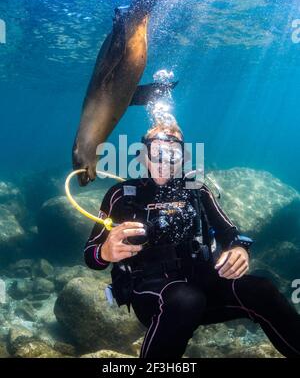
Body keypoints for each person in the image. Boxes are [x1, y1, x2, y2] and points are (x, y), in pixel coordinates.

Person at [84, 123, 300, 358]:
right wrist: (105, 252)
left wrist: (239, 250)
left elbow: (232, 235)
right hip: (152, 295)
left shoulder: (197, 190)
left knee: (262, 289)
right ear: (142, 156)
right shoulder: (121, 195)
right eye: (156, 151)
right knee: (187, 300)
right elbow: (91, 255)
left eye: (173, 153)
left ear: (183, 158)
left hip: (203, 284)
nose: (164, 161)